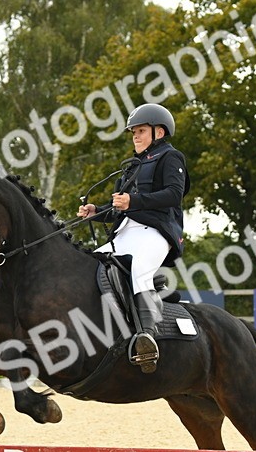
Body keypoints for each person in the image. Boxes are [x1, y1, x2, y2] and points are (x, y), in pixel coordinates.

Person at [77, 103, 189, 373]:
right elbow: (120, 208)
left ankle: (147, 338)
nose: (135, 136)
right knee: (88, 267)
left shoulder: (171, 158)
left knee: (138, 269)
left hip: (156, 231)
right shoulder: (132, 166)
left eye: (140, 131)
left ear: (158, 132)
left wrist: (133, 201)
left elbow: (174, 194)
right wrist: (97, 212)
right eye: (133, 132)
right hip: (126, 231)